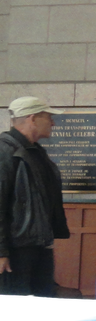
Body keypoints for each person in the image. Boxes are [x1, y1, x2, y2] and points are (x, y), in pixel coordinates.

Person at [0, 96, 70, 296]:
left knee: (42, 305)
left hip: (38, 246)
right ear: (32, 118)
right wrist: (1, 252)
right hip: (15, 251)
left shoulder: (35, 152)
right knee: (15, 308)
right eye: (48, 117)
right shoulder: (4, 151)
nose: (53, 123)